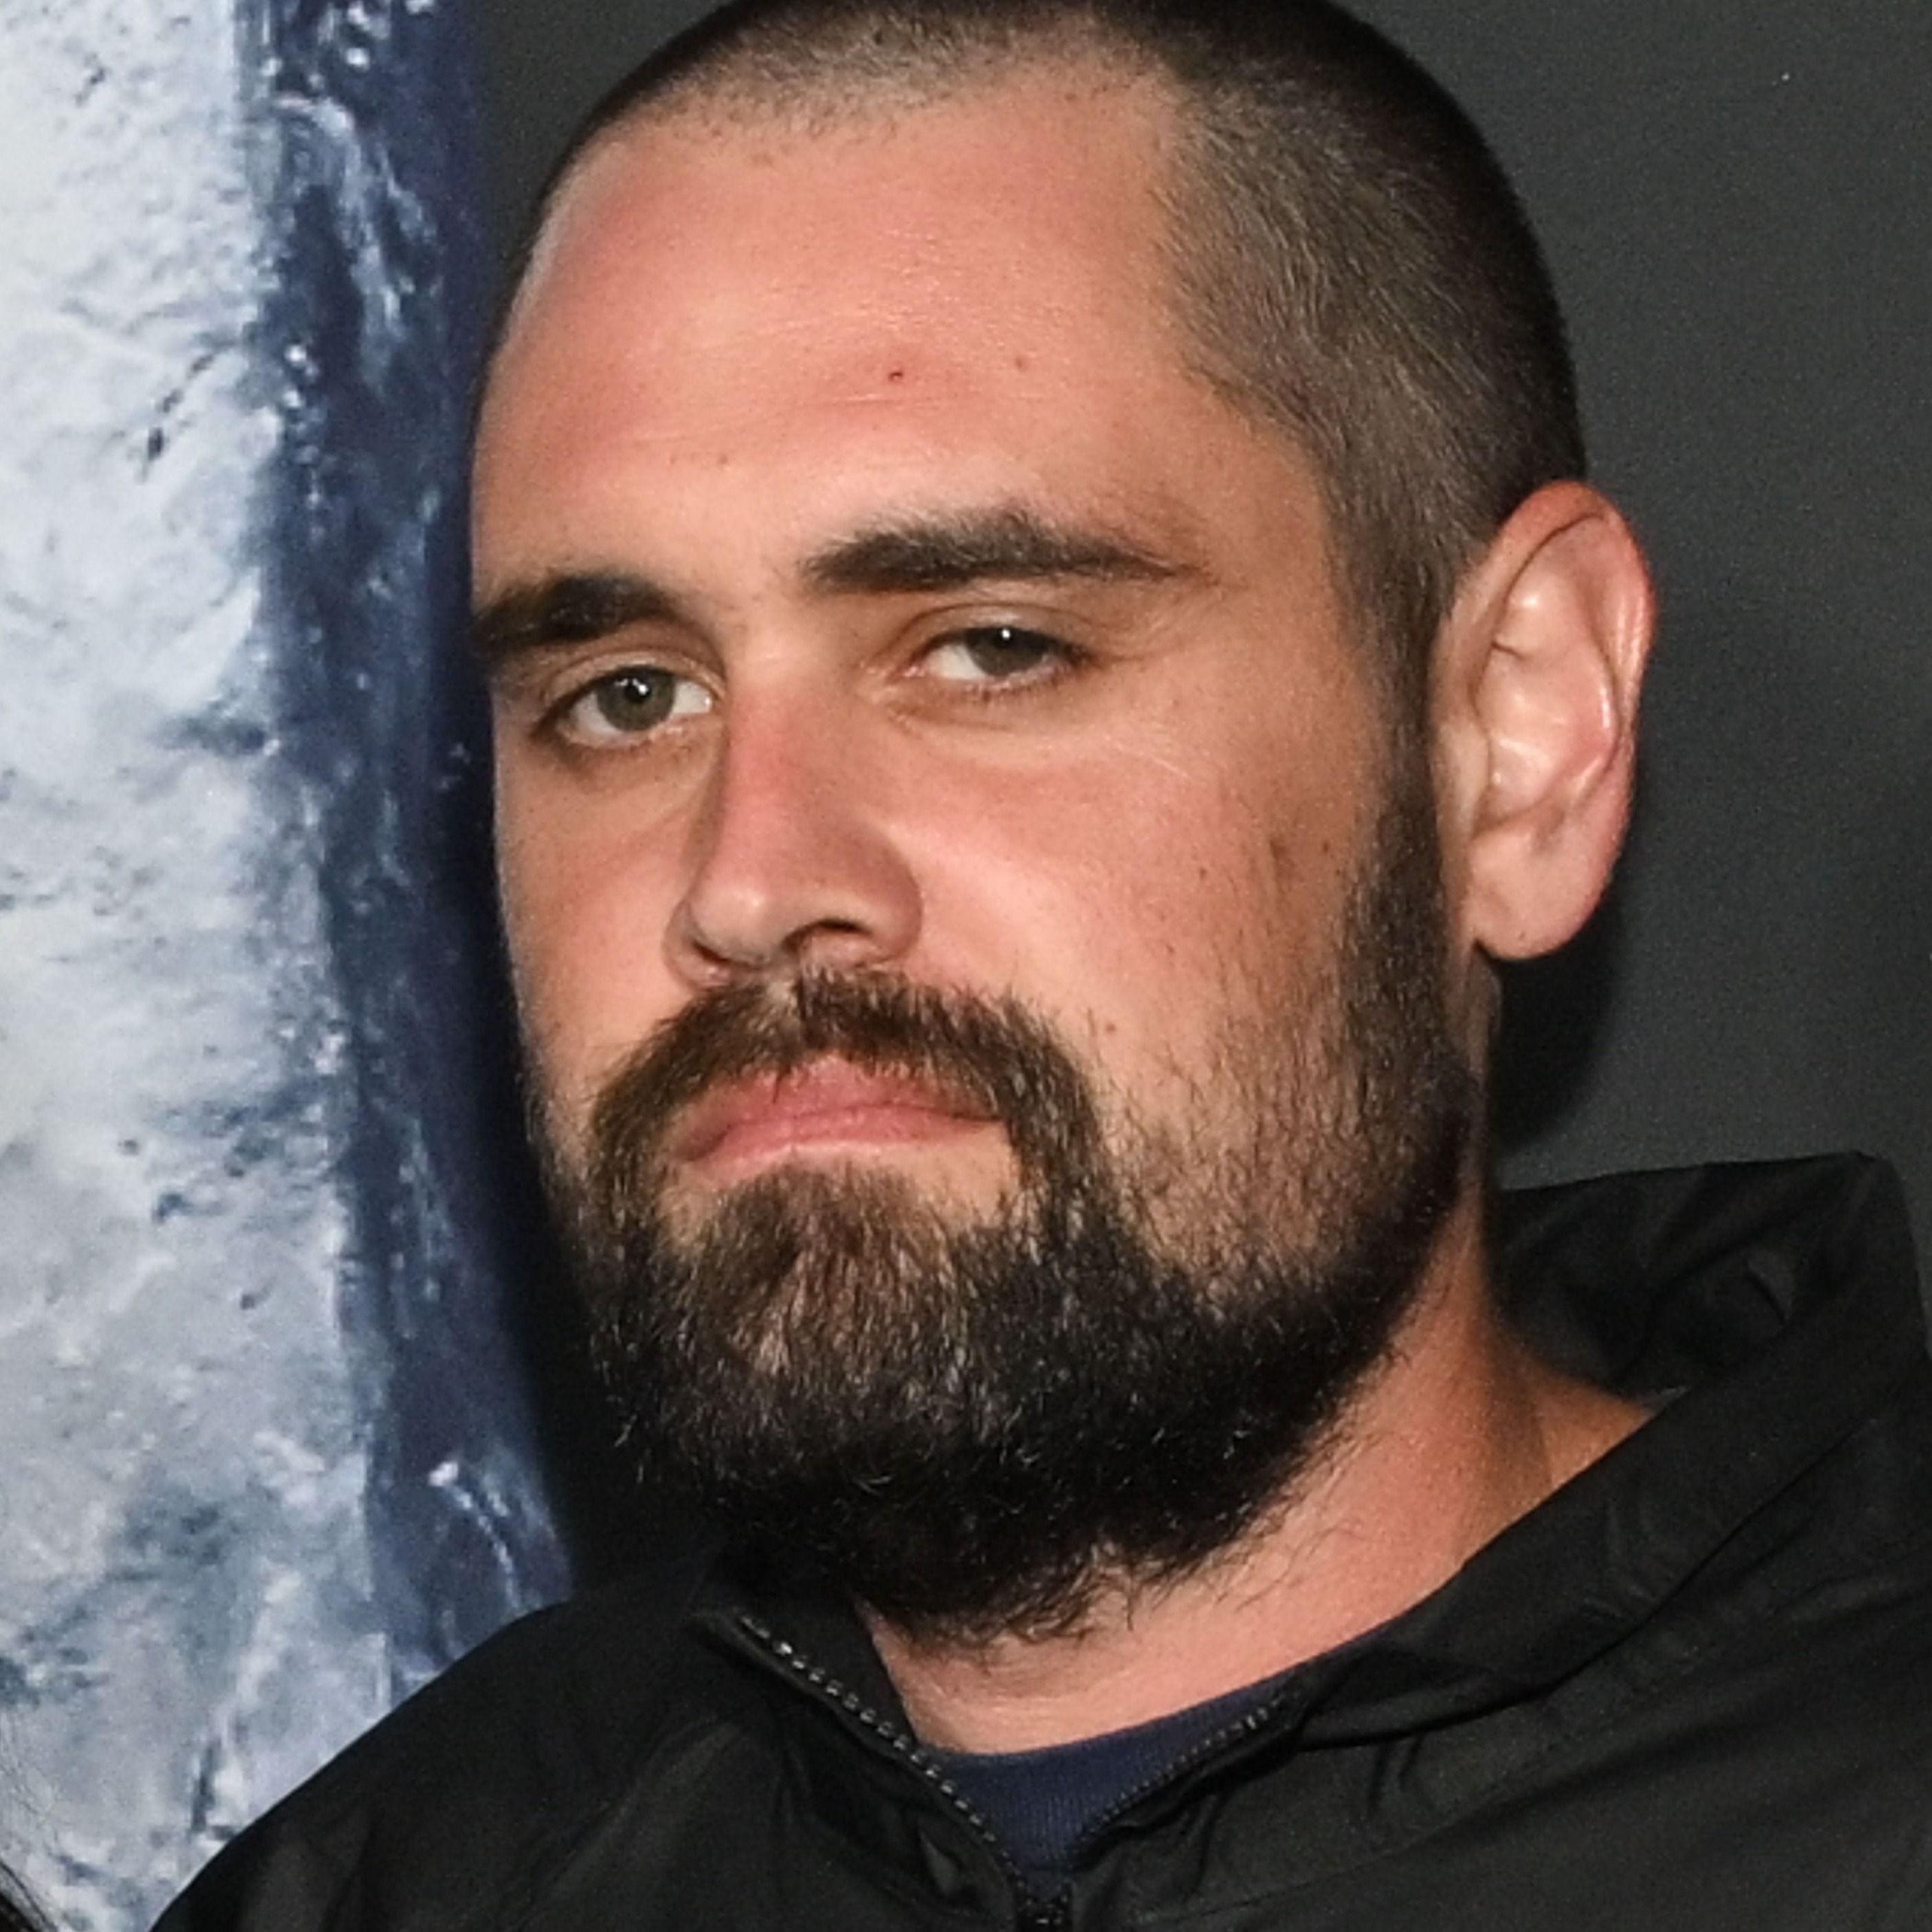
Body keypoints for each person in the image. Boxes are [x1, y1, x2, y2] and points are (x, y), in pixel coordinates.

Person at [159, 1, 1932, 1925]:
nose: (753, 881)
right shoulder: (389, 1891)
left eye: (990, 650)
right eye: (629, 694)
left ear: (1513, 741)